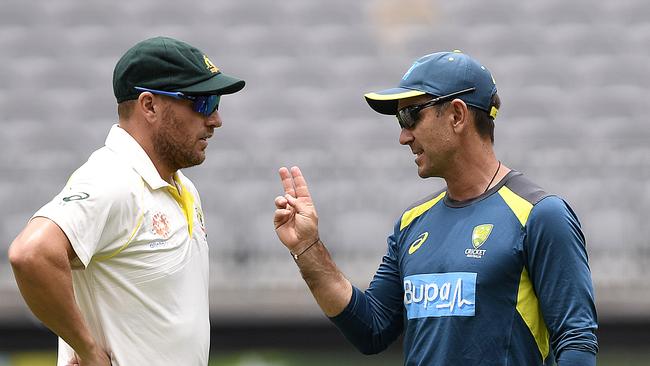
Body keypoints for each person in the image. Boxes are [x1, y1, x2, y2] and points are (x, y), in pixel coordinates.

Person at [273, 50, 598, 365]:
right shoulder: (411, 223)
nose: (403, 136)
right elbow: (371, 329)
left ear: (457, 115)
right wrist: (308, 247)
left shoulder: (540, 215)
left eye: (410, 115)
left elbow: (576, 342)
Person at [8, 36, 245, 366]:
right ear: (149, 105)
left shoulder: (184, 187)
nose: (216, 119)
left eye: (216, 102)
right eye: (202, 102)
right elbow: (30, 253)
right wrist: (89, 351)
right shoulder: (113, 178)